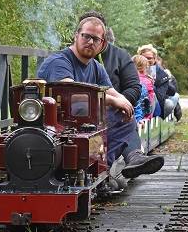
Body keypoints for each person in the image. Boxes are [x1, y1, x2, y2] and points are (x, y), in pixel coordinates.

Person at [76, 11, 164, 179]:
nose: (90, 41)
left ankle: (133, 157)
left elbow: (134, 87)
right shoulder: (72, 58)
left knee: (122, 115)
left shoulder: (120, 56)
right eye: (86, 36)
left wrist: (121, 104)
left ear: (104, 35)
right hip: (81, 112)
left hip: (112, 111)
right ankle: (105, 173)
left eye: (96, 37)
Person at [137, 44, 180, 119]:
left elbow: (160, 97)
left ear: (154, 58)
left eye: (149, 58)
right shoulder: (132, 70)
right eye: (144, 58)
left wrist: (151, 85)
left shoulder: (162, 75)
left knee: (170, 102)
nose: (147, 60)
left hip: (155, 103)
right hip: (137, 100)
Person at [132, 54, 155, 121]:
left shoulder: (129, 78)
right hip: (144, 112)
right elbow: (150, 100)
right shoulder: (147, 80)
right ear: (145, 67)